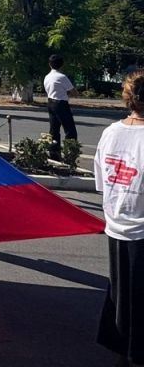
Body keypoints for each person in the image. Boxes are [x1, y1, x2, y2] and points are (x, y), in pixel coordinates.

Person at [94, 70, 144, 366]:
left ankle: (121, 349)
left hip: (116, 223)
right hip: (141, 227)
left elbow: (102, 181)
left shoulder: (111, 132)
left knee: (122, 290)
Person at [44, 54, 78, 160]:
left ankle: (54, 153)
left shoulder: (47, 77)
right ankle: (70, 154)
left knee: (54, 130)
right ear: (62, 65)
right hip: (61, 104)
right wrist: (66, 94)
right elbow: (74, 92)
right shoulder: (62, 77)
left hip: (50, 102)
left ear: (49, 64)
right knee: (70, 130)